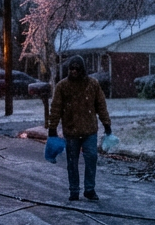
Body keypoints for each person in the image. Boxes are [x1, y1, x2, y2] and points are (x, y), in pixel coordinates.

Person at [48, 56, 112, 202]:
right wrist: (52, 128)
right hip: (71, 132)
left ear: (83, 69)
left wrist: (106, 124)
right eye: (72, 68)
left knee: (91, 159)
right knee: (72, 162)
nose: (74, 71)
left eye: (77, 68)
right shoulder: (62, 86)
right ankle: (74, 190)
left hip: (89, 130)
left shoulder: (93, 85)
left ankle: (89, 189)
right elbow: (56, 108)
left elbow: (101, 106)